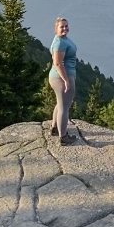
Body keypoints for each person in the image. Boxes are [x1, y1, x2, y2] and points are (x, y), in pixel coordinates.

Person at [48, 17, 78, 145]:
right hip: (62, 77)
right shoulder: (60, 42)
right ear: (56, 29)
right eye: (62, 27)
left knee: (60, 104)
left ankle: (55, 128)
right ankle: (63, 137)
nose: (65, 28)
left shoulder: (59, 40)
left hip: (57, 76)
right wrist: (66, 80)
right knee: (64, 108)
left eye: (66, 26)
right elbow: (58, 63)